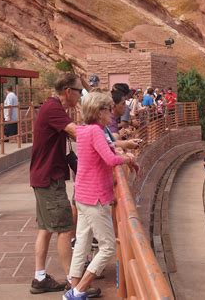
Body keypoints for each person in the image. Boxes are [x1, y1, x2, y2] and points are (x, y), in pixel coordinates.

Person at [64, 92, 136, 300]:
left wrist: (124, 155)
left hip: (83, 195)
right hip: (95, 197)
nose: (111, 114)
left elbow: (108, 149)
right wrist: (128, 158)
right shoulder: (96, 131)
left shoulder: (83, 130)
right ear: (100, 112)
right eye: (107, 109)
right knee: (107, 247)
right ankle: (78, 291)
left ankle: (74, 286)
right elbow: (110, 159)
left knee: (82, 243)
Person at [29, 73, 82, 294]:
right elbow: (76, 132)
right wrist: (108, 141)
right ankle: (73, 282)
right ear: (68, 91)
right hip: (50, 178)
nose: (80, 95)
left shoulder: (53, 107)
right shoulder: (53, 108)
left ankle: (40, 278)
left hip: (43, 176)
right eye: (79, 91)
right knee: (65, 227)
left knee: (45, 228)